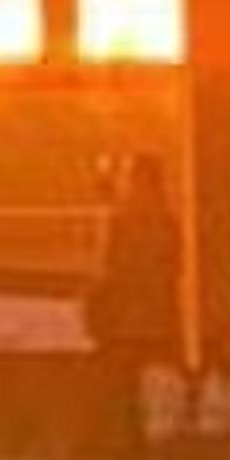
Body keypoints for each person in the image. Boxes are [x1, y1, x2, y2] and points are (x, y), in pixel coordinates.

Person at [82, 151, 182, 364]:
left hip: (127, 332)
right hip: (159, 331)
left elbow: (105, 272)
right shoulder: (170, 224)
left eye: (127, 179)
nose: (124, 186)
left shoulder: (120, 224)